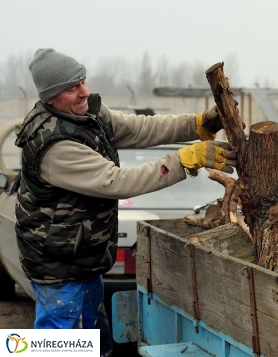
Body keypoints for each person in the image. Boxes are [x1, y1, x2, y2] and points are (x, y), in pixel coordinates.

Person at [14, 48, 237, 356]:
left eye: (82, 81)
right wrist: (187, 159)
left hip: (83, 257)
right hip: (58, 267)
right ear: (51, 97)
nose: (84, 92)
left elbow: (137, 128)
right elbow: (118, 182)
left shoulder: (86, 115)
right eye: (72, 87)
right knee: (60, 347)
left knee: (94, 340)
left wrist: (198, 125)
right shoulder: (54, 144)